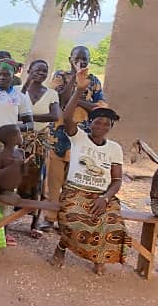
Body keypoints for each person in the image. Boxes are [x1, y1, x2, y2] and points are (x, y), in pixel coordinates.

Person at [49, 67, 127, 275]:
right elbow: (66, 119)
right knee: (75, 219)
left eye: (106, 124)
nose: (101, 126)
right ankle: (62, 246)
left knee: (111, 223)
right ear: (90, 123)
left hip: (102, 195)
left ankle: (98, 256)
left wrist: (105, 197)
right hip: (75, 191)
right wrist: (79, 90)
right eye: (97, 122)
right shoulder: (79, 137)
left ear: (110, 127)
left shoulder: (114, 148)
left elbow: (117, 180)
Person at [45, 46, 107, 231]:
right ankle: (49, 219)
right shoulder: (60, 76)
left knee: (73, 180)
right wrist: (75, 78)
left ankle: (66, 220)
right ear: (70, 58)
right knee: (54, 180)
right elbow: (58, 99)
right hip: (58, 134)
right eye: (78, 58)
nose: (81, 62)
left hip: (82, 137)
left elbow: (98, 108)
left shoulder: (94, 81)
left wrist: (77, 97)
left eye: (85, 59)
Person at [20, 59, 60, 236]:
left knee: (37, 180)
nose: (41, 74)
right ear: (29, 70)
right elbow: (15, 104)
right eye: (37, 70)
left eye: (44, 71)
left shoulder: (51, 94)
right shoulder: (19, 89)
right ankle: (5, 222)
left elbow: (55, 115)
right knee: (15, 177)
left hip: (40, 141)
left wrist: (28, 117)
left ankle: (34, 224)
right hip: (19, 139)